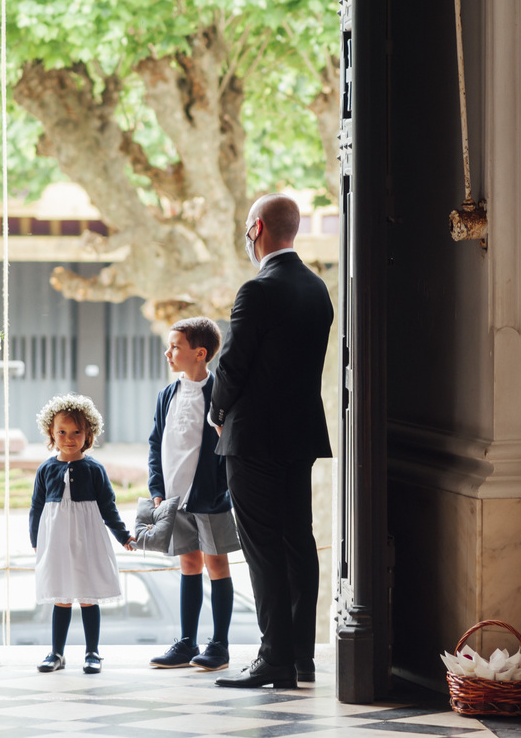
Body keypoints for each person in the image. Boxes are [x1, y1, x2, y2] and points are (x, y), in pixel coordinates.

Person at [211, 193, 333, 689]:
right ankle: (300, 655)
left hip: (254, 438)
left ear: (257, 228)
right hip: (298, 434)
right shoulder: (317, 288)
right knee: (297, 541)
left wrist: (217, 412)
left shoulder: (258, 290)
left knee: (262, 547)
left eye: (246, 226)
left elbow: (233, 363)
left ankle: (273, 657)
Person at [146, 317, 241, 672]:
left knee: (216, 565)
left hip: (209, 498)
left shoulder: (219, 393)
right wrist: (157, 489)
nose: (168, 352)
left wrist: (219, 489)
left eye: (175, 346)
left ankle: (220, 645)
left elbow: (228, 445)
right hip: (173, 498)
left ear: (199, 354)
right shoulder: (167, 394)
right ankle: (187, 642)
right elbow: (156, 443)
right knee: (188, 564)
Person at [29, 394, 133, 674]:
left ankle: (93, 652)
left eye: (77, 432)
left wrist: (123, 536)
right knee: (61, 596)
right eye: (62, 432)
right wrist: (35, 540)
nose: (69, 438)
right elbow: (37, 507)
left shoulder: (95, 470)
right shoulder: (46, 469)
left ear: (88, 434)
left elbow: (108, 506)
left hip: (87, 540)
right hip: (56, 541)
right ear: (51, 432)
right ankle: (56, 653)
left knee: (88, 595)